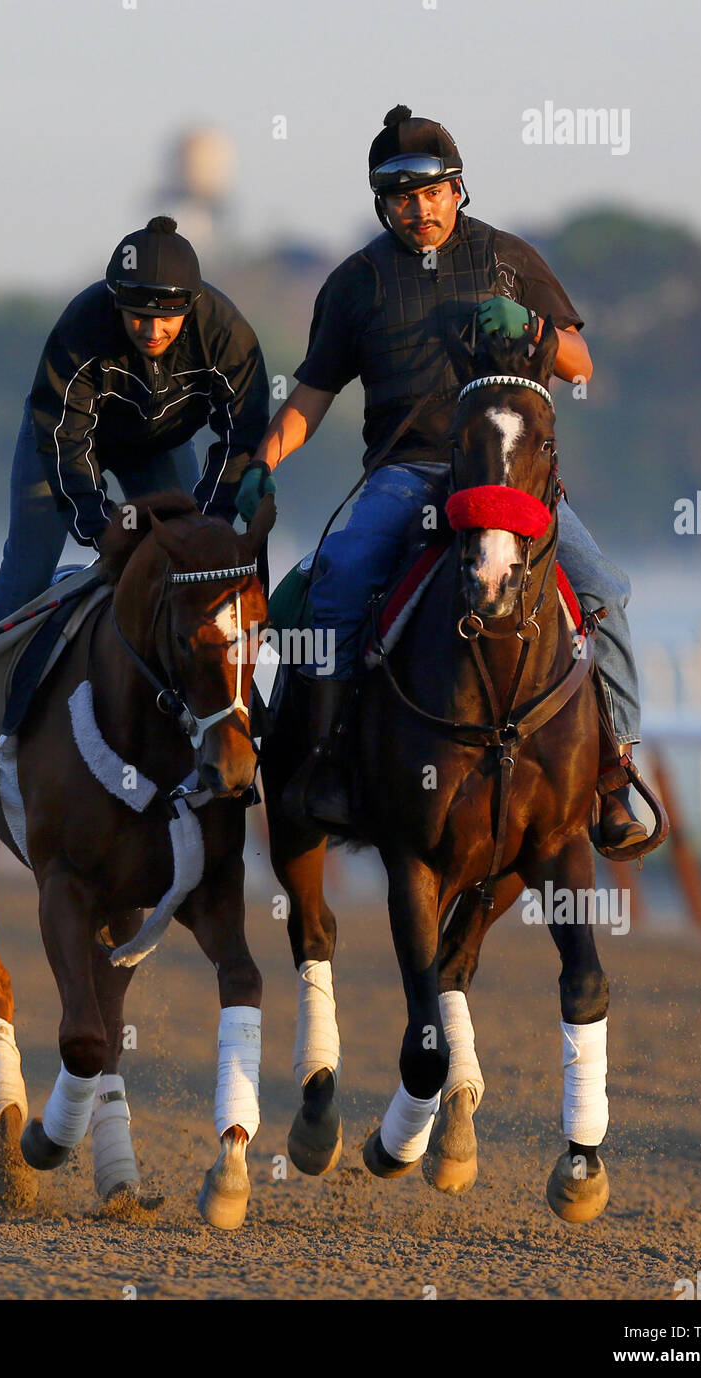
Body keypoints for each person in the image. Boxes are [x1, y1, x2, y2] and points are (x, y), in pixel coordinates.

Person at [238, 105, 645, 846]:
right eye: (400, 196)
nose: (417, 210)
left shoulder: (509, 260)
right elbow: (311, 396)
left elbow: (581, 366)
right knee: (337, 581)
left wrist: (530, 330)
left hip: (508, 477)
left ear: (458, 189)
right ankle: (329, 765)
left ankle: (614, 776)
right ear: (381, 202)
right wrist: (263, 464)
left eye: (432, 192)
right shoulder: (355, 283)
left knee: (605, 591)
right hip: (407, 470)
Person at [0, 216, 270, 802]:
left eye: (167, 315)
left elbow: (241, 436)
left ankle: (223, 739)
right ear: (114, 303)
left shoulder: (227, 334)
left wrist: (210, 524)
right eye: (137, 314)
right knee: (26, 575)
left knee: (193, 578)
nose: (151, 328)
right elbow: (65, 438)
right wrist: (97, 524)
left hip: (158, 448)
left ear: (193, 306)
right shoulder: (83, 326)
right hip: (63, 446)